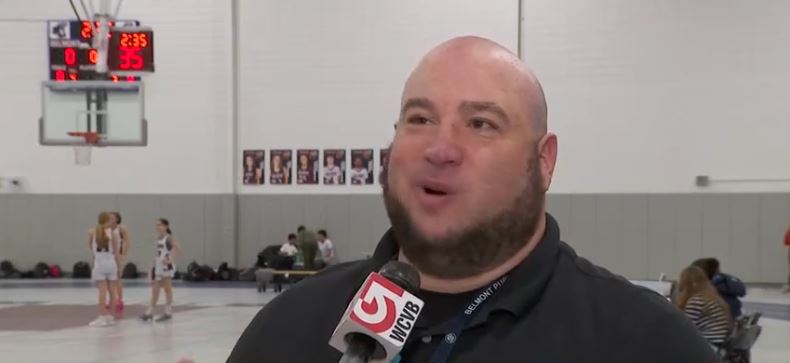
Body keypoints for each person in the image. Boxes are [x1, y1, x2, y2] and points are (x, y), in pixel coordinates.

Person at [227, 36, 716, 362]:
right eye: (420, 119)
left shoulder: (646, 344)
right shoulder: (289, 328)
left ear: (543, 161)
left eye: (481, 123)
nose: (440, 149)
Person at [676, 265, 733, 349]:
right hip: (717, 344)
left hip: (706, 346)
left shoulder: (696, 301)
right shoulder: (712, 297)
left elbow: (686, 329)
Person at [140, 218, 182, 322]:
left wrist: (170, 260)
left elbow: (178, 250)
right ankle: (149, 312)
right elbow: (161, 252)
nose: (157, 227)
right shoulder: (159, 238)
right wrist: (155, 262)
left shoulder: (168, 238)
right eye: (156, 225)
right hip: (159, 266)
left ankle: (167, 312)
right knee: (155, 289)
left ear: (166, 226)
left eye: (160, 225)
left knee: (167, 289)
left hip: (166, 267)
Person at [87, 211, 120, 327]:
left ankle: (102, 317)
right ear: (108, 220)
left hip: (100, 264)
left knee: (102, 292)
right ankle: (111, 317)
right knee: (112, 292)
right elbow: (116, 251)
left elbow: (90, 247)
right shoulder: (113, 233)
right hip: (111, 263)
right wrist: (119, 267)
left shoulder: (92, 232)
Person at [108, 211, 131, 311]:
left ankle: (120, 300)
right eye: (108, 218)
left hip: (118, 255)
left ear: (117, 219)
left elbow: (127, 242)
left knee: (118, 278)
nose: (110, 219)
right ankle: (111, 299)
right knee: (109, 279)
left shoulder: (121, 228)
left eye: (112, 218)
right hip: (108, 256)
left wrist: (123, 254)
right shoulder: (106, 229)